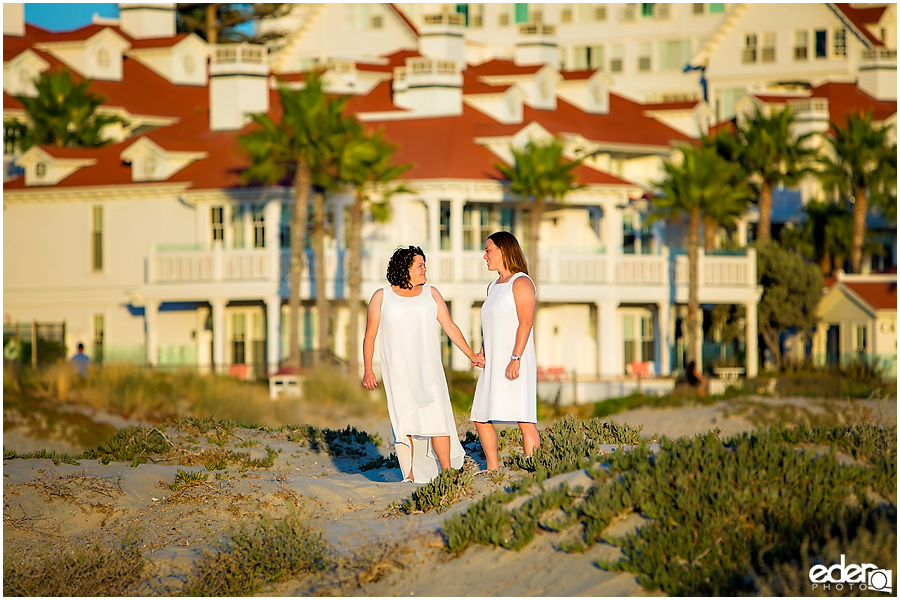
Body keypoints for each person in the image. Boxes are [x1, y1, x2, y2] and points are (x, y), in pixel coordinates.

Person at [362, 245, 484, 483]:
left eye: (425, 264)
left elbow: (450, 327)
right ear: (405, 268)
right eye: (420, 265)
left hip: (429, 370)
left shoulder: (432, 294)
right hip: (398, 371)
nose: (424, 269)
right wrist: (368, 369)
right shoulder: (381, 296)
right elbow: (369, 336)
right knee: (404, 421)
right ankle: (408, 475)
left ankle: (447, 472)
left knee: (437, 419)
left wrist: (471, 355)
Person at [471, 231, 540, 471]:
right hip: (495, 361)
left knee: (524, 419)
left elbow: (526, 322)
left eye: (488, 250)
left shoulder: (521, 282)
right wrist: (483, 352)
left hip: (515, 359)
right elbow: (490, 323)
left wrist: (515, 358)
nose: (484, 256)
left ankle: (534, 468)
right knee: (480, 414)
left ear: (503, 250)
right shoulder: (492, 287)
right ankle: (493, 467)